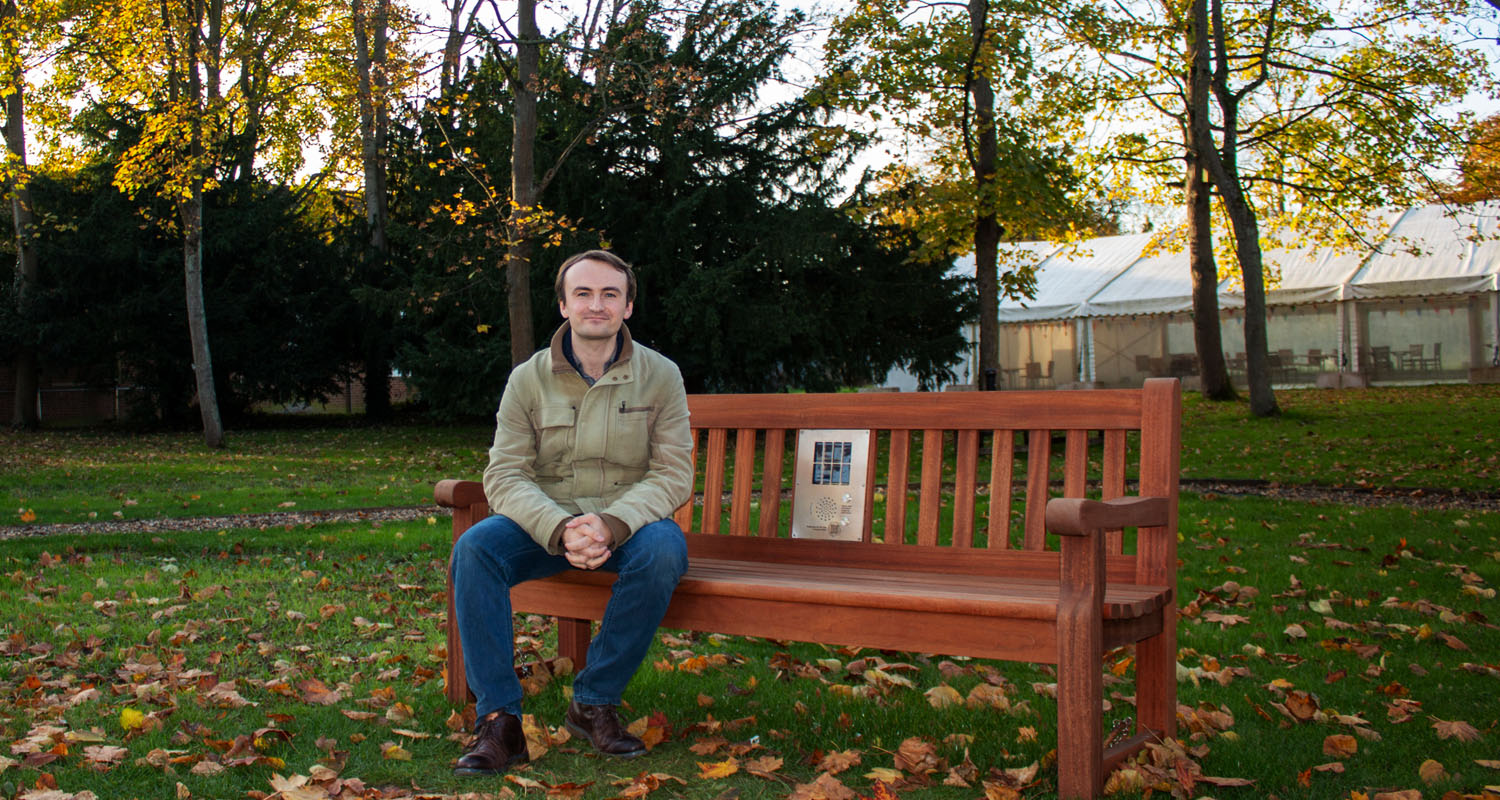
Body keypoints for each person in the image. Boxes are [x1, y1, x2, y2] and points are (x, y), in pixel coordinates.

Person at [449, 250, 693, 775]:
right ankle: (500, 721)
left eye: (610, 294)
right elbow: (504, 474)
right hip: (544, 525)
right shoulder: (528, 379)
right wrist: (560, 528)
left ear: (628, 306)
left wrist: (610, 523)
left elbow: (674, 473)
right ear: (563, 305)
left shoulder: (661, 376)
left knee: (665, 551)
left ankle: (594, 702)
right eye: (583, 293)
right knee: (475, 548)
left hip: (627, 525)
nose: (596, 305)